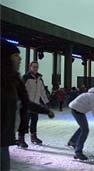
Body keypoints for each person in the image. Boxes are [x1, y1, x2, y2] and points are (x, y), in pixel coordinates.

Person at [1, 40, 55, 170]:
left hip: (3, 139)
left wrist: (45, 109)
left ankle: (33, 137)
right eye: (16, 55)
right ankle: (21, 139)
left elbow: (27, 100)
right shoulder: (24, 78)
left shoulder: (15, 79)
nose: (20, 58)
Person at [67, 82, 94, 160]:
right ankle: (78, 152)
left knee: (82, 128)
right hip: (76, 109)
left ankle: (73, 141)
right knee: (85, 130)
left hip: (78, 109)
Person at [22, 61, 50, 144]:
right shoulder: (26, 77)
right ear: (30, 67)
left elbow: (42, 92)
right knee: (25, 122)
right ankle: (21, 139)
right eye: (34, 67)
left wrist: (46, 102)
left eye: (36, 67)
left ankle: (33, 137)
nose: (35, 68)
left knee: (34, 121)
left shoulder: (39, 78)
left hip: (36, 105)